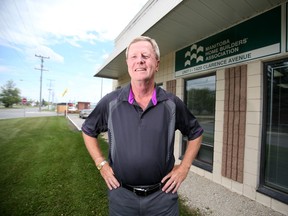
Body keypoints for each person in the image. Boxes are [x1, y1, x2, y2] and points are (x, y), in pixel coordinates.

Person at [82, 36, 203, 216]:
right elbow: (88, 130)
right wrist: (101, 164)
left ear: (157, 64)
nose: (140, 60)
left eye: (146, 56)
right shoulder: (110, 102)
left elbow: (196, 133)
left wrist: (184, 167)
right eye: (134, 56)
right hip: (122, 197)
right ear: (128, 63)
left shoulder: (171, 103)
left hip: (162, 198)